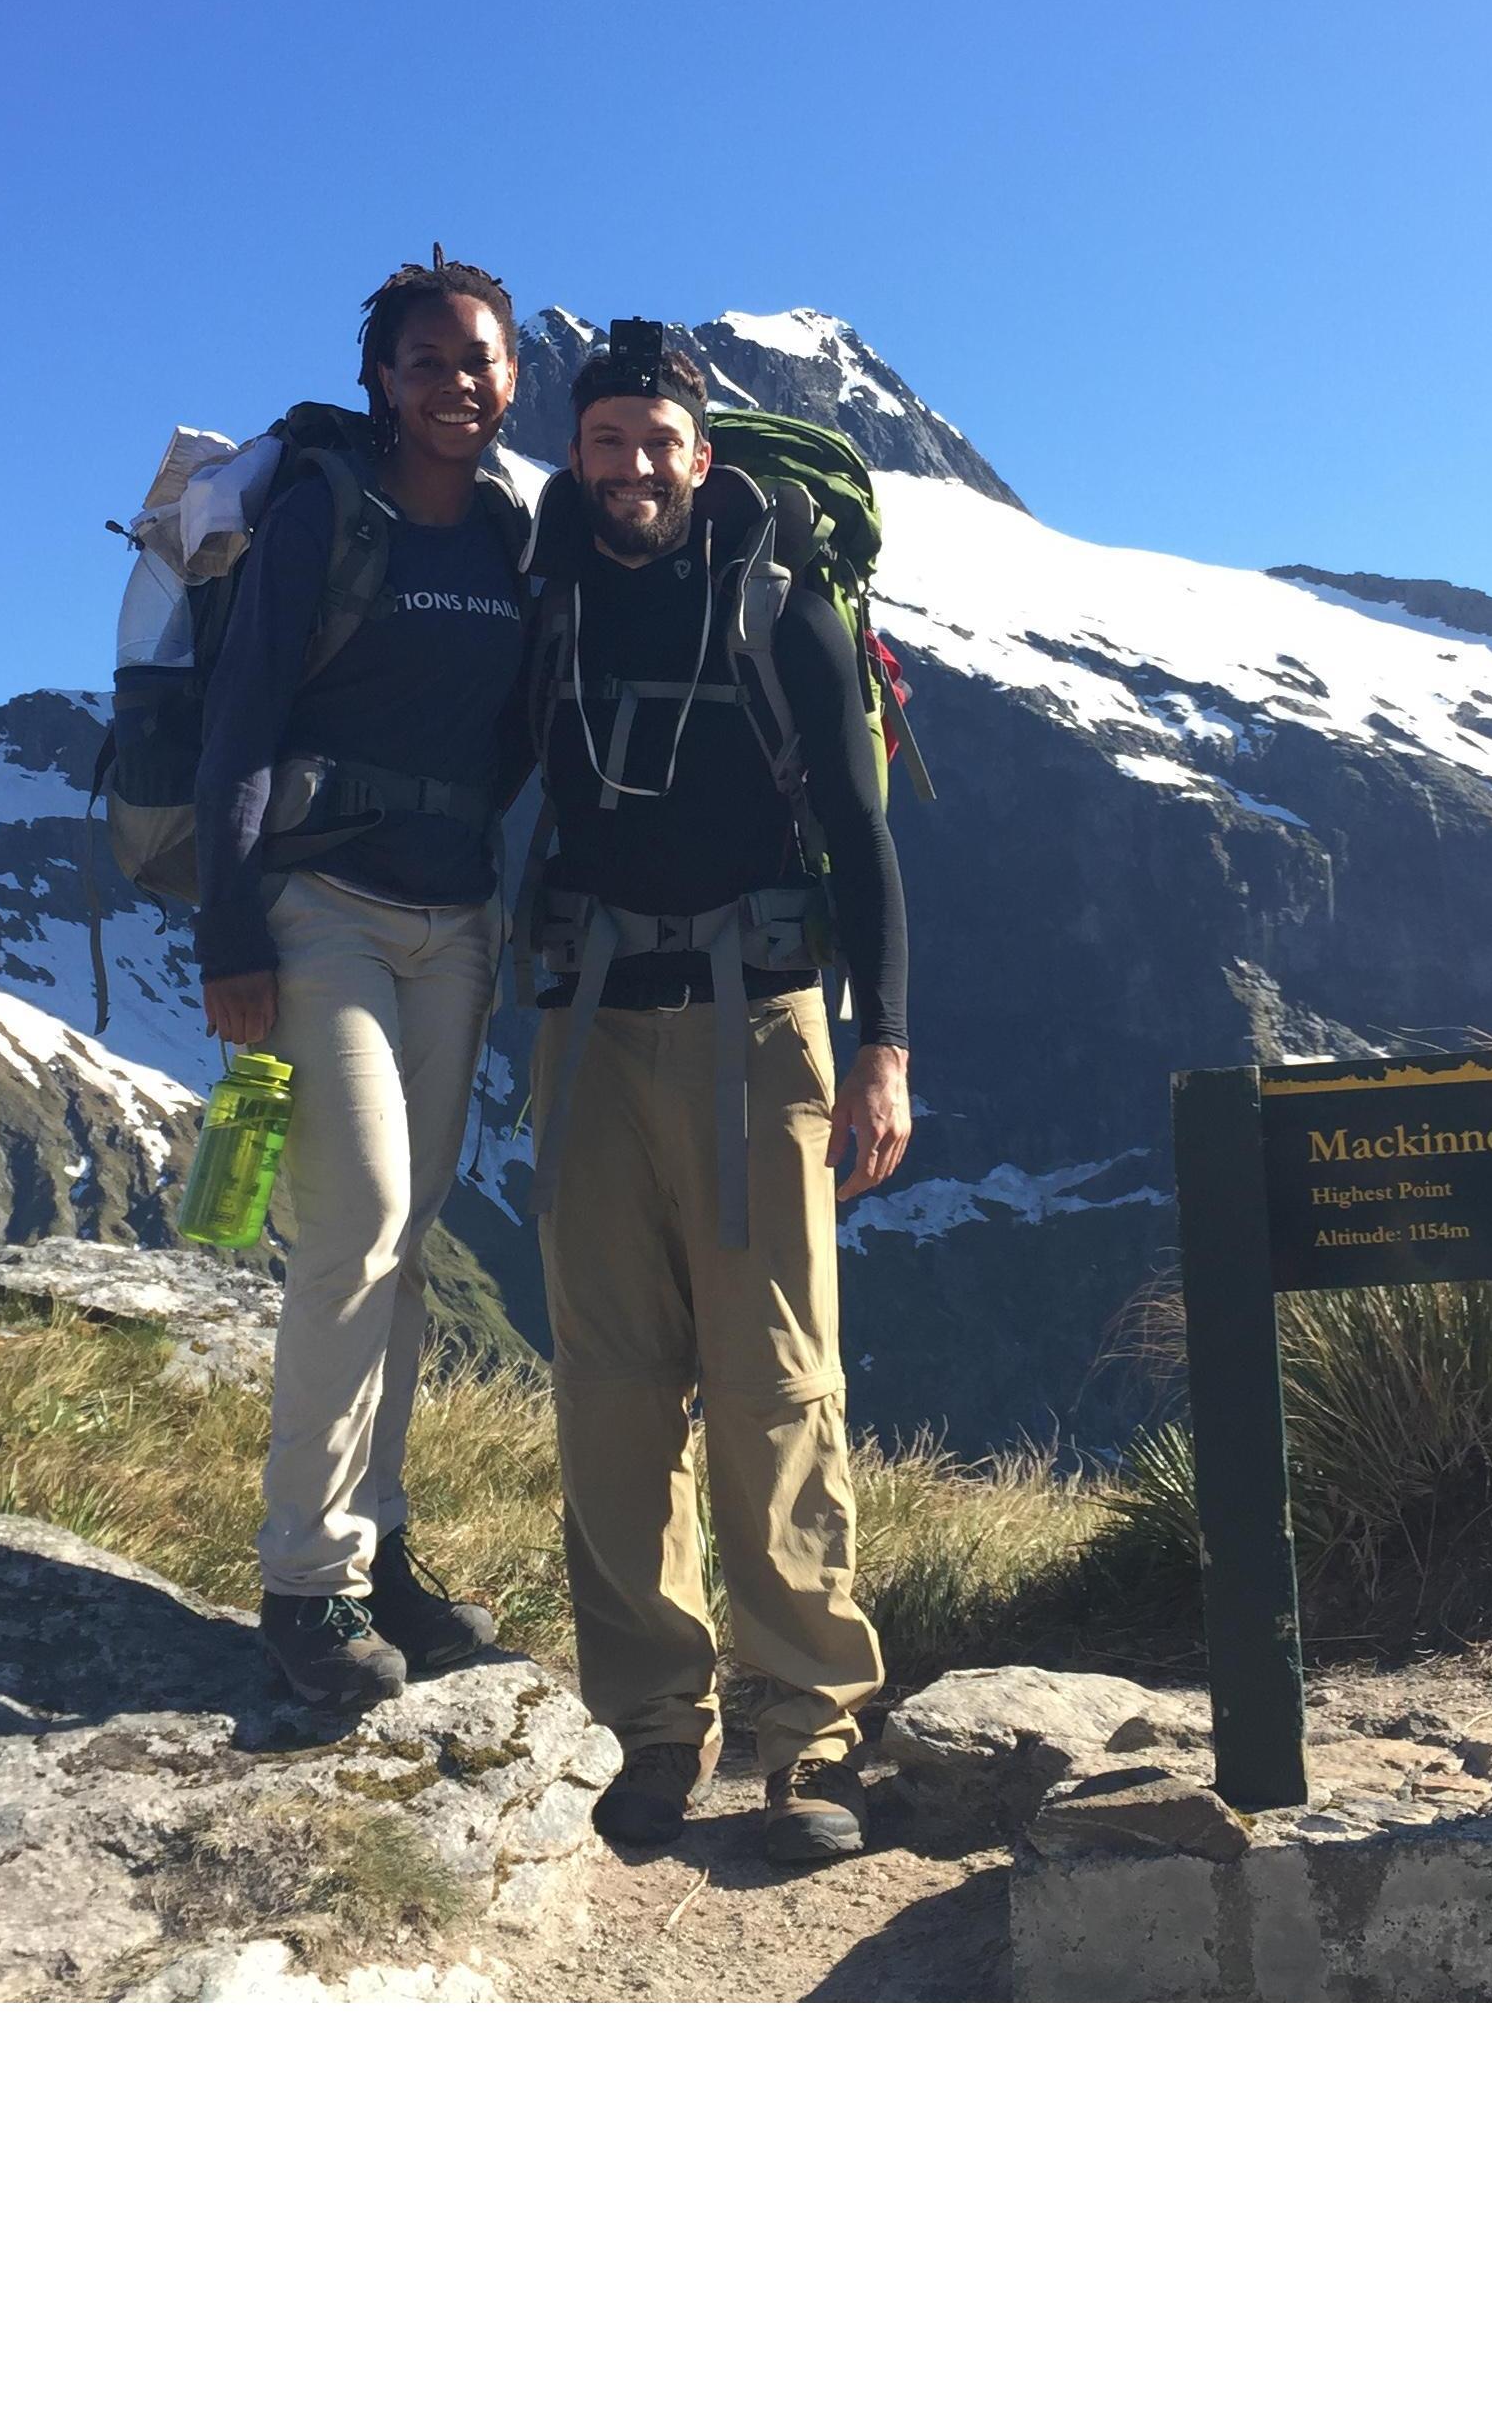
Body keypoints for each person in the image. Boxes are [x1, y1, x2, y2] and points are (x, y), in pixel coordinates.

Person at [521, 321, 914, 1865]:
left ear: (702, 453)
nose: (632, 467)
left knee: (778, 1386)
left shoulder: (779, 606)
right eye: (606, 441)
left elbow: (864, 838)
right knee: (611, 1388)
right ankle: (651, 1730)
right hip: (592, 1028)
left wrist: (885, 1046)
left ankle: (811, 1734)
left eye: (657, 442)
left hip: (765, 1027)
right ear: (576, 455)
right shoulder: (545, 597)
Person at [194, 255, 532, 1711]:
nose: (458, 383)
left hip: (455, 925)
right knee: (363, 1221)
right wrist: (230, 931)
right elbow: (241, 724)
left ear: (513, 378)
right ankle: (305, 1582)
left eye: (480, 361)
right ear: (382, 380)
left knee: (408, 1234)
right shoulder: (328, 516)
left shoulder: (515, 535)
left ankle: (379, 1550)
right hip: (318, 912)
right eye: (428, 360)